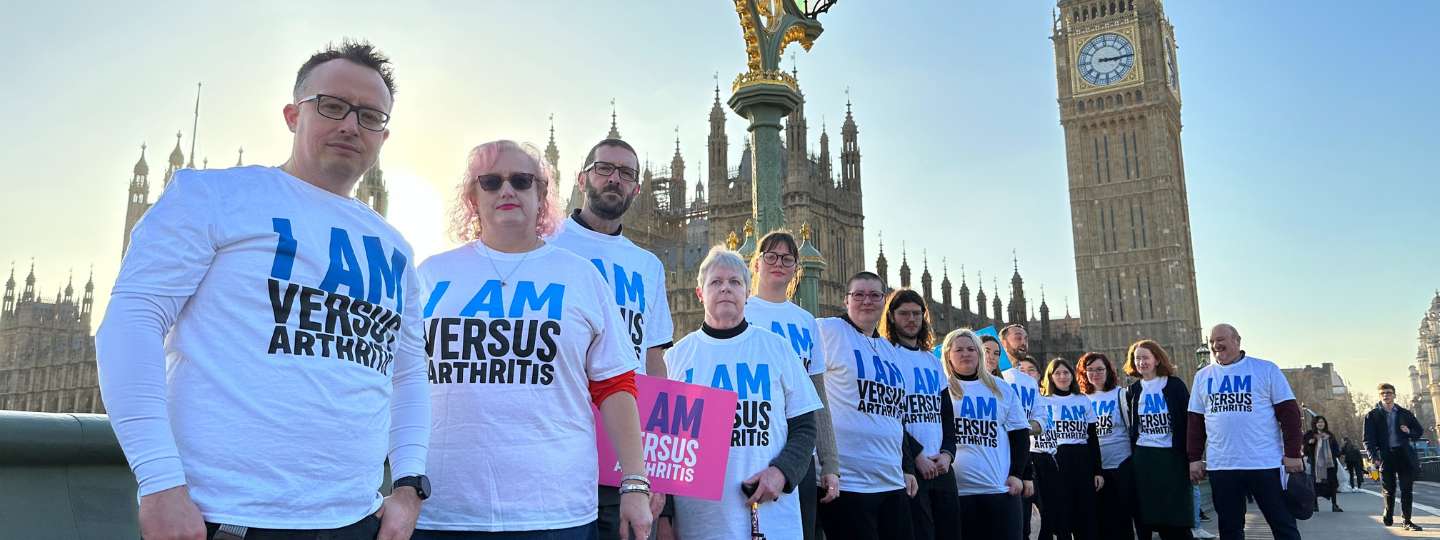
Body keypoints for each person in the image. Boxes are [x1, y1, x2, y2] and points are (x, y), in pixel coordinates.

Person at [96, 40, 430, 540]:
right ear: (294, 115)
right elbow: (131, 323)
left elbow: (408, 374)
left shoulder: (395, 247)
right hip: (229, 518)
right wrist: (159, 482)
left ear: (383, 135)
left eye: (369, 115)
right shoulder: (211, 196)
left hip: (359, 520)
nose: (350, 125)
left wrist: (407, 487)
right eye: (332, 107)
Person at [414, 140, 651, 539]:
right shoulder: (432, 274)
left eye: (521, 181)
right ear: (472, 196)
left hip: (554, 510)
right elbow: (401, 381)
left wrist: (635, 483)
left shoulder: (580, 276)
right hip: (444, 508)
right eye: (490, 181)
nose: (506, 190)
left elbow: (616, 385)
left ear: (542, 194)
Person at [547, 137, 675, 538]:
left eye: (626, 174)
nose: (614, 179)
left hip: (624, 448)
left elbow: (653, 360)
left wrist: (660, 463)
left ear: (637, 188)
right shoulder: (546, 243)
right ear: (583, 177)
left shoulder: (648, 265)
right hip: (558, 437)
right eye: (605, 169)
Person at [665, 247, 822, 539]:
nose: (726, 288)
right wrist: (665, 517)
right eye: (716, 282)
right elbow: (665, 447)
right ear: (700, 293)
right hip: (700, 524)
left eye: (735, 282)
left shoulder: (777, 348)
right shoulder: (676, 357)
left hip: (772, 518)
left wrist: (782, 473)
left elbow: (805, 427)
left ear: (748, 292)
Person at [745, 230, 842, 540]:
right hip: (752, 447)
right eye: (770, 256)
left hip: (799, 455)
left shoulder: (806, 322)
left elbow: (817, 397)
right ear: (756, 264)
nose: (779, 263)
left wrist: (830, 463)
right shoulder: (742, 311)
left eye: (787, 259)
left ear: (796, 268)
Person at [816, 272, 916, 540]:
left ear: (884, 301)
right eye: (858, 295)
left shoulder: (890, 350)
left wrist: (906, 466)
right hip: (848, 482)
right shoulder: (827, 330)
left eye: (874, 295)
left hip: (891, 480)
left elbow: (896, 416)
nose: (866, 301)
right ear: (845, 300)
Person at [1186, 324, 1303, 540]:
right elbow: (1195, 422)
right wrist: (1194, 458)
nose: (1215, 345)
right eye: (1212, 341)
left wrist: (1293, 453)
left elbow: (1290, 414)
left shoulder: (1265, 369)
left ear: (1237, 340)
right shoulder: (1202, 377)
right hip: (1222, 465)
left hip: (1264, 462)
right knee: (1230, 529)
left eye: (1221, 339)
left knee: (1282, 523)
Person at [879, 289, 958, 540]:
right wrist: (916, 455)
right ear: (891, 317)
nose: (911, 319)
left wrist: (947, 453)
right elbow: (887, 414)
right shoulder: (885, 356)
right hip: (910, 465)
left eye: (916, 314)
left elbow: (946, 413)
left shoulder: (932, 360)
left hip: (941, 466)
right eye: (904, 314)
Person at [940, 328, 1030, 539]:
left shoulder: (1001, 388)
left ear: (979, 353)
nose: (966, 353)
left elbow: (1020, 435)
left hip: (999, 491)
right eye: (959, 349)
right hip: (956, 493)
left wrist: (1017, 474)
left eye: (971, 349)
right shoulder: (941, 388)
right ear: (947, 355)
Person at [1122, 340, 1196, 540]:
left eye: (1145, 357)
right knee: (1151, 515)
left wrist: (1193, 458)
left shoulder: (1174, 386)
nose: (1141, 362)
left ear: (1157, 360)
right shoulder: (1134, 390)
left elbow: (1189, 421)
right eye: (1137, 358)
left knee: (1176, 517)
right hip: (1144, 457)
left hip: (1172, 457)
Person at [1040, 358, 1103, 540]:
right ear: (1050, 377)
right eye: (1057, 373)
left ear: (1072, 376)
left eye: (1066, 372)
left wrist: (1097, 471)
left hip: (1082, 459)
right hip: (1057, 460)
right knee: (1062, 515)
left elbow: (1092, 438)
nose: (1062, 376)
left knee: (1086, 514)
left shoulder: (1082, 400)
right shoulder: (1044, 402)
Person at [1079, 352, 1135, 540]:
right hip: (1095, 469)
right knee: (1101, 518)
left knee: (1123, 518)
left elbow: (1131, 427)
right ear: (1084, 373)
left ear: (1108, 371)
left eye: (1100, 369)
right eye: (1091, 370)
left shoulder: (1121, 394)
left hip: (1121, 464)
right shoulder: (1081, 399)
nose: (1095, 373)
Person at [1363, 382, 1425, 531]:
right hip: (1386, 455)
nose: (1386, 395)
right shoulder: (1372, 415)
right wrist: (1373, 456)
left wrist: (1409, 431)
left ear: (1394, 395)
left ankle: (1407, 521)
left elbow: (1419, 431)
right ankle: (1388, 512)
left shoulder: (1404, 413)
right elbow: (1368, 439)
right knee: (1389, 490)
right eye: (1383, 393)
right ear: (1380, 396)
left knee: (1406, 489)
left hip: (1404, 455)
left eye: (1389, 393)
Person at [1303, 416, 1343, 512]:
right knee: (1315, 484)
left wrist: (1338, 453)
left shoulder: (1330, 435)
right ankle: (1315, 505)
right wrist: (1309, 444)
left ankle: (1334, 505)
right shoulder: (1310, 435)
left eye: (1322, 422)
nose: (1320, 424)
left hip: (1330, 465)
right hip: (1316, 465)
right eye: (1318, 422)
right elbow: (1305, 451)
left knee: (1332, 484)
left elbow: (1336, 450)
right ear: (1315, 424)